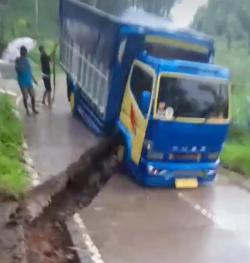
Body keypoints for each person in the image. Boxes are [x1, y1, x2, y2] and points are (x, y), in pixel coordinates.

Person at [15, 46, 38, 115]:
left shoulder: (28, 60)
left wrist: (34, 79)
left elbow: (30, 71)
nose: (25, 53)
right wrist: (19, 66)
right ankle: (27, 110)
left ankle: (33, 109)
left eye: (25, 51)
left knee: (33, 96)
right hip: (22, 81)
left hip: (29, 81)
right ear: (21, 52)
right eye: (23, 51)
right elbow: (17, 71)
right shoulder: (18, 61)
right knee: (25, 96)